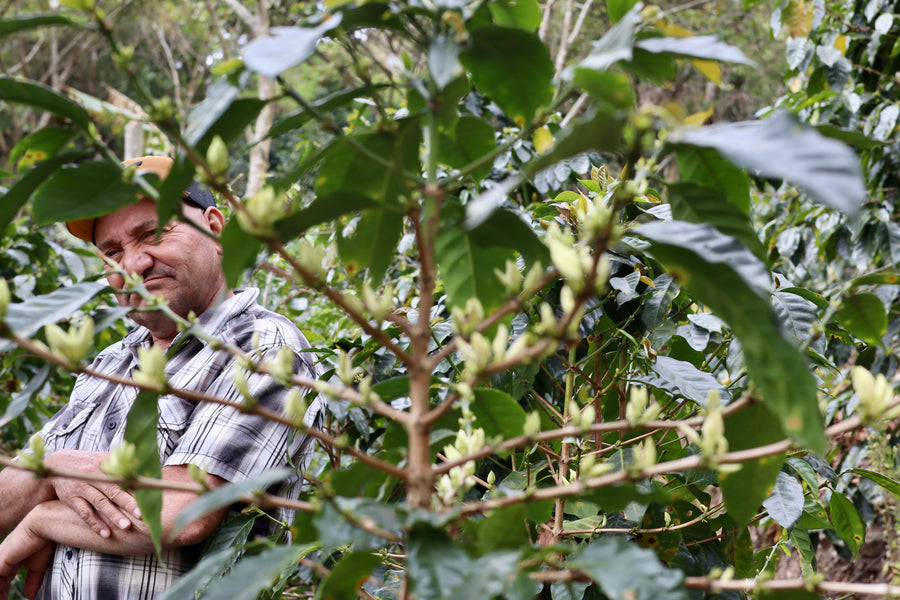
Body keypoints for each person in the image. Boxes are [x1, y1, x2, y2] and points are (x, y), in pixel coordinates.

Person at [0, 156, 323, 599]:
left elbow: (182, 511)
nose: (133, 263)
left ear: (215, 228)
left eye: (152, 233)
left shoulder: (264, 346)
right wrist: (54, 471)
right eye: (112, 252)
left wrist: (41, 519)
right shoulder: (111, 362)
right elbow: (7, 496)